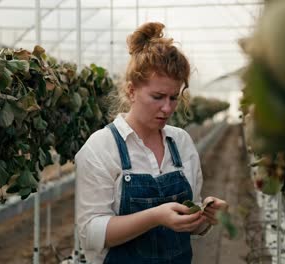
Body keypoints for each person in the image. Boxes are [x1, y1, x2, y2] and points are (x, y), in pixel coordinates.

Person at [75, 22, 228, 264]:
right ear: (131, 91)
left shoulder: (181, 142)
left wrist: (203, 216)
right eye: (157, 97)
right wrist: (155, 217)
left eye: (174, 98)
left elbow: (192, 226)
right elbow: (91, 233)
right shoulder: (101, 147)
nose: (167, 108)